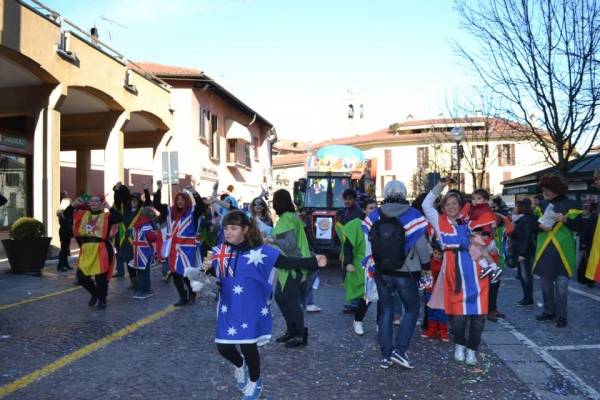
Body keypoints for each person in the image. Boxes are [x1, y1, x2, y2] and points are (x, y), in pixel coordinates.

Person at [208, 210, 327, 400]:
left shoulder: (260, 251)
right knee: (223, 346)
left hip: (250, 308)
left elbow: (286, 262)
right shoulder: (221, 252)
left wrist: (314, 260)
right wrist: (204, 277)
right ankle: (240, 366)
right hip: (228, 307)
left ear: (245, 229)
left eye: (233, 228)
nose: (228, 232)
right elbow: (213, 274)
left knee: (248, 345)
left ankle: (255, 382)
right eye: (226, 228)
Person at [362, 180, 430, 370]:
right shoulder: (413, 215)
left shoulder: (374, 215)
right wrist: (426, 265)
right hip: (407, 271)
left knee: (385, 312)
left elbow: (368, 243)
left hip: (382, 271)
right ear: (404, 193)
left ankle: (386, 356)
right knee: (411, 309)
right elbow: (422, 246)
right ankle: (400, 351)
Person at [423, 177, 489, 365]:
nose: (451, 207)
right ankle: (460, 343)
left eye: (455, 203)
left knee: (479, 316)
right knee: (457, 316)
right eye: (448, 204)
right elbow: (427, 204)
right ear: (443, 207)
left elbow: (486, 229)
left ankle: (472, 349)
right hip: (454, 269)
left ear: (460, 205)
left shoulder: (469, 220)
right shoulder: (439, 220)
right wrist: (440, 186)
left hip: (477, 269)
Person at [534, 174, 584, 328]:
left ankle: (562, 315)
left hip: (563, 250)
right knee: (546, 283)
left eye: (547, 189)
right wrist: (540, 226)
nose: (545, 192)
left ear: (556, 189)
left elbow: (579, 227)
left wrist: (564, 219)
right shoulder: (541, 205)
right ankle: (549, 311)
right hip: (545, 250)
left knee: (562, 285)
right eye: (544, 189)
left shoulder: (572, 204)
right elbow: (533, 225)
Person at [270, 189, 313, 347]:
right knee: (281, 297)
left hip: (294, 265)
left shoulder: (287, 218)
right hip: (289, 266)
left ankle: (300, 334)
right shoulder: (289, 217)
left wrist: (270, 240)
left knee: (290, 300)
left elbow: (289, 245)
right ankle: (292, 330)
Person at [64, 194, 122, 309]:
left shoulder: (107, 216)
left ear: (101, 204)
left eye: (97, 201)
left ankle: (102, 300)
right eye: (92, 201)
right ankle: (95, 293)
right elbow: (66, 215)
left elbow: (119, 218)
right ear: (89, 203)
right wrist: (73, 205)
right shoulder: (82, 214)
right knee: (82, 278)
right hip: (86, 249)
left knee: (101, 278)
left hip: (102, 248)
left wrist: (109, 207)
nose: (94, 203)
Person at [155, 183, 206, 306]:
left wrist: (193, 191)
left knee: (186, 273)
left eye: (182, 200)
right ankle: (182, 297)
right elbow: (156, 205)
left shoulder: (192, 212)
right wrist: (159, 189)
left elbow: (201, 206)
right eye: (178, 200)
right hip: (172, 248)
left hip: (186, 249)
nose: (180, 202)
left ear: (186, 201)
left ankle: (192, 293)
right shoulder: (169, 212)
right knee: (174, 273)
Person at [342, 197, 377, 335]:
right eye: (370, 208)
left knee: (381, 296)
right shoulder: (356, 225)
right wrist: (349, 262)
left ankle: (381, 324)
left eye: (375, 208)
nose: (374, 211)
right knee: (366, 295)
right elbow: (348, 246)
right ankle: (358, 320)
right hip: (362, 264)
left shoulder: (380, 224)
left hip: (379, 264)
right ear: (364, 210)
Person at [510, 198, 538, 306]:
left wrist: (522, 254)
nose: (515, 208)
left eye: (517, 206)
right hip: (523, 251)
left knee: (525, 276)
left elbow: (525, 238)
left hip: (524, 252)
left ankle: (528, 299)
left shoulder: (525, 220)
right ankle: (527, 297)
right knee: (524, 275)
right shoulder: (522, 219)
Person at [129, 207, 160, 299]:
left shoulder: (136, 224)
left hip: (136, 251)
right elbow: (152, 237)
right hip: (145, 251)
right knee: (144, 272)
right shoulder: (147, 225)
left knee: (141, 271)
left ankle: (146, 289)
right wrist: (156, 234)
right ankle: (141, 291)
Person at [420, 244, 449, 341]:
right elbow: (425, 276)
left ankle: (443, 331)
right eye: (435, 253)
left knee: (442, 311)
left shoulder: (446, 265)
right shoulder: (430, 263)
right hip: (430, 290)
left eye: (439, 254)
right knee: (431, 310)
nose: (437, 255)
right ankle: (431, 329)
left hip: (441, 292)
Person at [56, 194, 74, 272]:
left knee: (66, 249)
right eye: (70, 203)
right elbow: (65, 223)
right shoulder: (62, 213)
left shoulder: (63, 212)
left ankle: (65, 264)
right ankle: (60, 265)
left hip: (66, 231)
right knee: (64, 249)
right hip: (64, 232)